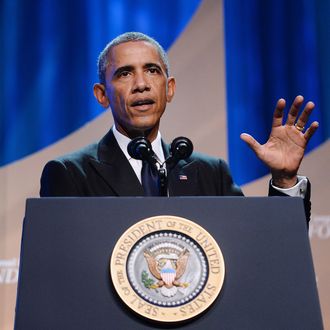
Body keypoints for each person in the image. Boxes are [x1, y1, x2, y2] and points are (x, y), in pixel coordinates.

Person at [40, 32, 319, 223]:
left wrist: (284, 181)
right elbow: (62, 267)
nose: (141, 84)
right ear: (102, 95)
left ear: (169, 88)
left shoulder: (211, 174)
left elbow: (261, 252)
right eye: (125, 73)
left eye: (152, 70)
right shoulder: (70, 174)